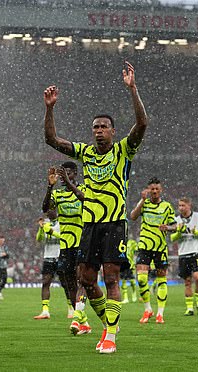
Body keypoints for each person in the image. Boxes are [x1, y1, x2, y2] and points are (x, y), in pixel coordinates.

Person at [43, 60, 148, 354]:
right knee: (87, 281)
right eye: (95, 127)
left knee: (111, 277)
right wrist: (50, 108)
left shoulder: (124, 150)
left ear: (113, 131)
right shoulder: (86, 153)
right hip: (89, 226)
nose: (98, 131)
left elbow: (142, 124)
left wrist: (133, 89)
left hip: (114, 223)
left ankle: (111, 335)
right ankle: (107, 325)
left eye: (104, 127)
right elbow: (51, 139)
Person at [42, 162, 91, 334]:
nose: (63, 176)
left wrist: (70, 185)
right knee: (69, 283)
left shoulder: (84, 189)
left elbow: (86, 201)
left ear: (75, 174)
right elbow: (46, 209)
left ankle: (78, 317)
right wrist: (50, 186)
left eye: (67, 172)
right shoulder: (58, 194)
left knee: (82, 280)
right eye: (62, 173)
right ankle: (82, 320)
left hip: (82, 242)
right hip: (66, 244)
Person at [131, 178, 176, 324]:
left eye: (157, 189)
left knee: (162, 279)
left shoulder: (167, 207)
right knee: (142, 278)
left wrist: (167, 228)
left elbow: (175, 225)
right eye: (152, 189)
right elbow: (133, 216)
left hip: (160, 248)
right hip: (144, 245)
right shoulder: (144, 203)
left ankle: (160, 314)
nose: (155, 191)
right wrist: (142, 200)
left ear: (161, 190)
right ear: (148, 190)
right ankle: (148, 309)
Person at [170, 197, 198, 316]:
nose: (181, 208)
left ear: (189, 205)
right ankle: (189, 308)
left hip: (196, 252)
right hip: (183, 253)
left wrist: (196, 232)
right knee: (187, 281)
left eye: (183, 205)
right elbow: (172, 238)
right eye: (179, 206)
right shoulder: (176, 220)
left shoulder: (197, 217)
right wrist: (179, 231)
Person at [33, 210, 61, 319]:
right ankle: (45, 311)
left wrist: (51, 232)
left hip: (60, 255)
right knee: (46, 282)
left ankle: (71, 308)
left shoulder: (62, 222)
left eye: (50, 210)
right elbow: (39, 239)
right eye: (46, 211)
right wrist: (41, 228)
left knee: (66, 283)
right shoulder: (46, 223)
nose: (48, 213)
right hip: (48, 257)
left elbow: (64, 237)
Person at [120, 238, 138, 304]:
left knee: (132, 281)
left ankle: (134, 294)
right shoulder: (119, 242)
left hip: (130, 264)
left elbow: (137, 250)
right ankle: (125, 298)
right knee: (123, 281)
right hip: (122, 264)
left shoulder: (132, 242)